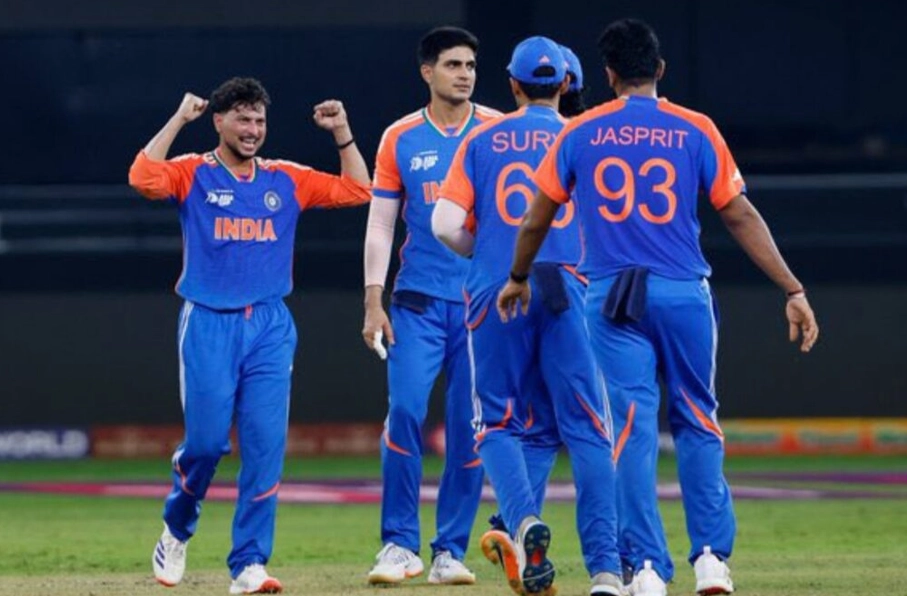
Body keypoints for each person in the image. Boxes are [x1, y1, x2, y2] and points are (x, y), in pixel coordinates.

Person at [498, 18, 819, 596]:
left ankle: (646, 567)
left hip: (612, 299)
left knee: (631, 429)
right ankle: (711, 560)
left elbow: (535, 218)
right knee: (698, 420)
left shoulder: (580, 131)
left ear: (609, 74)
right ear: (660, 69)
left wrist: (518, 276)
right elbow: (738, 213)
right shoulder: (696, 128)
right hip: (683, 292)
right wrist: (792, 288)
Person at [128, 77, 371, 595]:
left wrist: (342, 132)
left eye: (259, 120)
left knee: (264, 448)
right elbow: (142, 176)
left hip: (269, 326)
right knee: (206, 444)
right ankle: (177, 527)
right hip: (208, 323)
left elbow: (358, 189)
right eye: (242, 118)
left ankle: (249, 564)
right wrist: (179, 118)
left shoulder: (286, 178)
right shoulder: (193, 172)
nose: (253, 129)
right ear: (219, 121)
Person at [433, 36, 624, 596]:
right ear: (565, 84)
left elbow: (445, 224)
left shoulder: (480, 138)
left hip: (500, 286)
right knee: (588, 430)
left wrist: (488, 251)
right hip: (570, 285)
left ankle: (520, 524)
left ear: (513, 85)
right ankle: (607, 571)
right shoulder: (586, 136)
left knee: (497, 422)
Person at [361, 26, 500, 586]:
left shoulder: (497, 130)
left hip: (480, 307)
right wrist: (373, 300)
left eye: (470, 65)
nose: (465, 74)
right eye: (453, 65)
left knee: (470, 428)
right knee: (405, 413)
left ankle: (450, 552)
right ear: (427, 72)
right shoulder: (399, 137)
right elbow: (380, 223)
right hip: (416, 302)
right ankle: (399, 545)